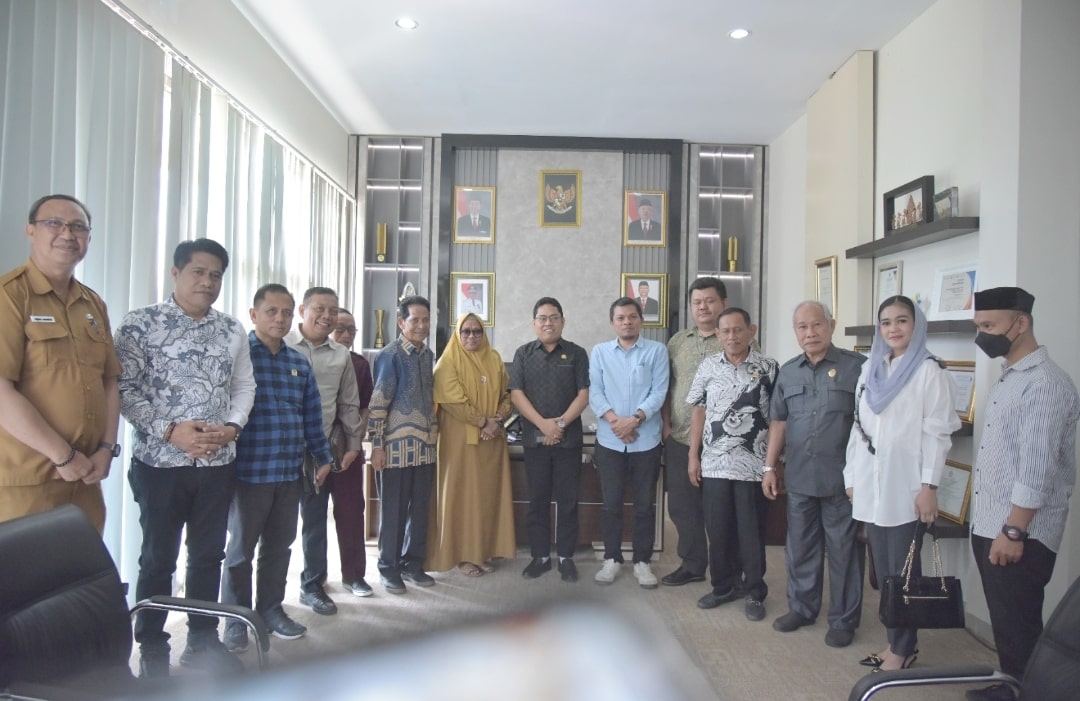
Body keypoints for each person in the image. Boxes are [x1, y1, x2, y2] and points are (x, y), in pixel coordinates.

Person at [115, 238, 256, 677]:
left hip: (217, 463)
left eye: (216, 275)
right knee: (158, 558)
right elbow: (122, 389)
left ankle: (202, 639)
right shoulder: (140, 324)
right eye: (198, 271)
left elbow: (243, 386)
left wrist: (232, 427)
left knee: (208, 556)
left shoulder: (231, 329)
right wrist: (168, 430)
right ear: (176, 273)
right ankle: (152, 647)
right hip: (160, 464)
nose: (207, 281)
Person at [965, 287, 1079, 701]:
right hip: (991, 522)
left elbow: (1036, 468)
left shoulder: (1046, 383)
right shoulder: (1011, 376)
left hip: (1019, 532)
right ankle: (1012, 686)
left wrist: (1014, 531)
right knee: (1007, 623)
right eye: (978, 326)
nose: (983, 335)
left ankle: (1032, 694)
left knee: (1021, 623)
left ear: (1021, 323)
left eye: (989, 326)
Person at [843, 295, 959, 671]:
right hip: (872, 485)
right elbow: (857, 428)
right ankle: (897, 640)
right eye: (886, 322)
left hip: (906, 487)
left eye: (902, 320)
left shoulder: (929, 371)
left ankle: (903, 648)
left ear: (916, 325)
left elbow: (938, 435)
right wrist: (851, 476)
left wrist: (929, 487)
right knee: (884, 571)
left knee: (903, 571)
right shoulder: (871, 369)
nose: (893, 328)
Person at [221, 284, 333, 652]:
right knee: (240, 552)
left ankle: (270, 610)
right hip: (248, 473)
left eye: (286, 312)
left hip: (288, 472)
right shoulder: (238, 357)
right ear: (253, 315)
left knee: (280, 547)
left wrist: (323, 457)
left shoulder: (297, 362)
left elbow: (311, 416)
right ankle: (236, 619)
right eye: (271, 311)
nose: (280, 319)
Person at [0, 195, 121, 533]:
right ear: (30, 230)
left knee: (81, 566)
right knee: (24, 567)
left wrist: (106, 449)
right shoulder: (10, 296)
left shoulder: (92, 303)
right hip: (27, 481)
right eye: (54, 223)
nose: (67, 234)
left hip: (85, 479)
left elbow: (109, 381)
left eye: (78, 227)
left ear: (88, 238)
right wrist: (62, 456)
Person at [762, 301, 866, 647]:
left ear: (831, 326)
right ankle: (802, 608)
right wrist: (770, 467)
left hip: (842, 480)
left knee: (843, 551)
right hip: (800, 475)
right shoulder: (789, 371)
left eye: (817, 325)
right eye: (802, 327)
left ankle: (843, 619)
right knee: (801, 547)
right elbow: (779, 421)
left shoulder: (857, 368)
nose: (810, 333)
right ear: (796, 331)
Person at [687, 307, 777, 620]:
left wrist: (774, 464)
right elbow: (699, 412)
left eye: (738, 330)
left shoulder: (768, 367)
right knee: (718, 528)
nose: (732, 336)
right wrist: (693, 455)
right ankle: (722, 586)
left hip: (753, 465)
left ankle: (754, 591)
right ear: (718, 334)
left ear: (751, 331)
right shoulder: (708, 366)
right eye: (725, 331)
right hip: (714, 463)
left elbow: (778, 418)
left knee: (750, 531)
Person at [287, 287, 365, 615]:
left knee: (315, 521)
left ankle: (312, 585)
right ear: (303, 310)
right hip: (279, 448)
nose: (327, 316)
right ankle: (261, 600)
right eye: (320, 308)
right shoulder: (281, 345)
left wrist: (353, 445)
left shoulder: (340, 355)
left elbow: (349, 404)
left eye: (333, 310)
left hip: (319, 449)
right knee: (272, 528)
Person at [426, 314, 516, 575]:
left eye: (477, 331)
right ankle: (463, 556)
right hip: (459, 443)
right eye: (465, 331)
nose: (472, 336)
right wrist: (482, 422)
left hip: (491, 442)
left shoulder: (494, 358)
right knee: (462, 498)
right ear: (458, 333)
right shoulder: (448, 362)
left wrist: (498, 418)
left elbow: (508, 394)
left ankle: (481, 551)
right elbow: (452, 401)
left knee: (486, 498)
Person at [588, 297, 669, 588]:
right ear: (612, 323)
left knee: (644, 505)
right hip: (610, 441)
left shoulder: (657, 351)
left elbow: (659, 392)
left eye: (632, 317)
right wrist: (616, 422)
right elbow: (595, 392)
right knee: (611, 504)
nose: (627, 322)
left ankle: (642, 561)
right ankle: (612, 558)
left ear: (641, 320)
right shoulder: (600, 352)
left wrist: (633, 420)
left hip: (645, 440)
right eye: (621, 318)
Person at [509, 297, 591, 582]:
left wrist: (559, 426)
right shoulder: (523, 354)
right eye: (542, 318)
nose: (548, 323)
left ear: (562, 322)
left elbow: (584, 394)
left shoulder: (577, 353)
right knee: (538, 501)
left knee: (568, 501)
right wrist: (544, 425)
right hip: (535, 439)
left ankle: (566, 558)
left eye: (553, 318)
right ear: (534, 323)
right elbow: (516, 394)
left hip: (568, 440)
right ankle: (540, 557)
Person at [660, 277, 726, 587]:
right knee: (682, 507)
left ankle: (727, 568)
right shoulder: (678, 341)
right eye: (697, 302)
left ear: (722, 303)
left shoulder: (734, 337)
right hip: (680, 437)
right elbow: (666, 386)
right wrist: (666, 424)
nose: (703, 307)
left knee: (719, 509)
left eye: (710, 301)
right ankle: (692, 564)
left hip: (722, 443)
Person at [369, 295, 438, 594]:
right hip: (394, 449)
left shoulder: (428, 355)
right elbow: (378, 403)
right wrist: (377, 445)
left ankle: (413, 564)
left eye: (426, 320)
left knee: (420, 510)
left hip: (425, 447)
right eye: (415, 320)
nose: (421, 325)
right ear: (401, 322)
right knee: (393, 512)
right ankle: (389, 568)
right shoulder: (390, 355)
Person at [328, 306, 375, 590]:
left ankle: (354, 575)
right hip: (316, 449)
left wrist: (355, 439)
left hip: (349, 447)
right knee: (312, 518)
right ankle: (313, 580)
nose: (346, 335)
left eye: (351, 330)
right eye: (340, 329)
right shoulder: (308, 359)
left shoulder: (359, 365)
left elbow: (366, 408)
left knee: (351, 512)